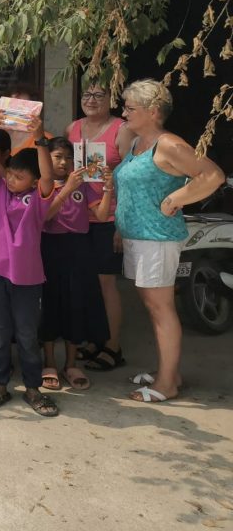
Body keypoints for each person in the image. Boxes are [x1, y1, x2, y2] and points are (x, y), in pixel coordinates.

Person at [113, 80, 223, 403]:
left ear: (153, 112)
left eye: (131, 108)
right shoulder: (137, 143)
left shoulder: (168, 144)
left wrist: (178, 197)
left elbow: (212, 175)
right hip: (139, 237)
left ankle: (167, 383)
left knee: (161, 309)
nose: (124, 113)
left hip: (157, 238)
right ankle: (168, 370)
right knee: (153, 306)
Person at [0, 112, 60, 417]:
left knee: (26, 334)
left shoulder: (39, 199)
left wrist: (40, 139)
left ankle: (33, 388)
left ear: (34, 181)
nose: (11, 179)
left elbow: (49, 177)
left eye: (18, 176)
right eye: (10, 173)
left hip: (27, 278)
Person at [66, 81, 132, 372]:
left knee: (107, 283)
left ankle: (113, 346)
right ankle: (95, 338)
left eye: (99, 94)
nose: (91, 99)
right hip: (80, 217)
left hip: (109, 217)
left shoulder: (122, 129)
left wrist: (121, 225)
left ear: (111, 99)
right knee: (87, 283)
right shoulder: (74, 128)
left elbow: (131, 177)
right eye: (87, 94)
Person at [40, 138, 112, 392]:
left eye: (68, 158)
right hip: (49, 248)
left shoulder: (84, 185)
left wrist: (107, 189)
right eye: (57, 156)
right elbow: (43, 218)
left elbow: (101, 216)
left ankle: (70, 364)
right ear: (46, 158)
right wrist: (67, 189)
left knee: (75, 305)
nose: (63, 162)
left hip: (79, 250)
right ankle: (48, 362)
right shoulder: (43, 186)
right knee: (49, 305)